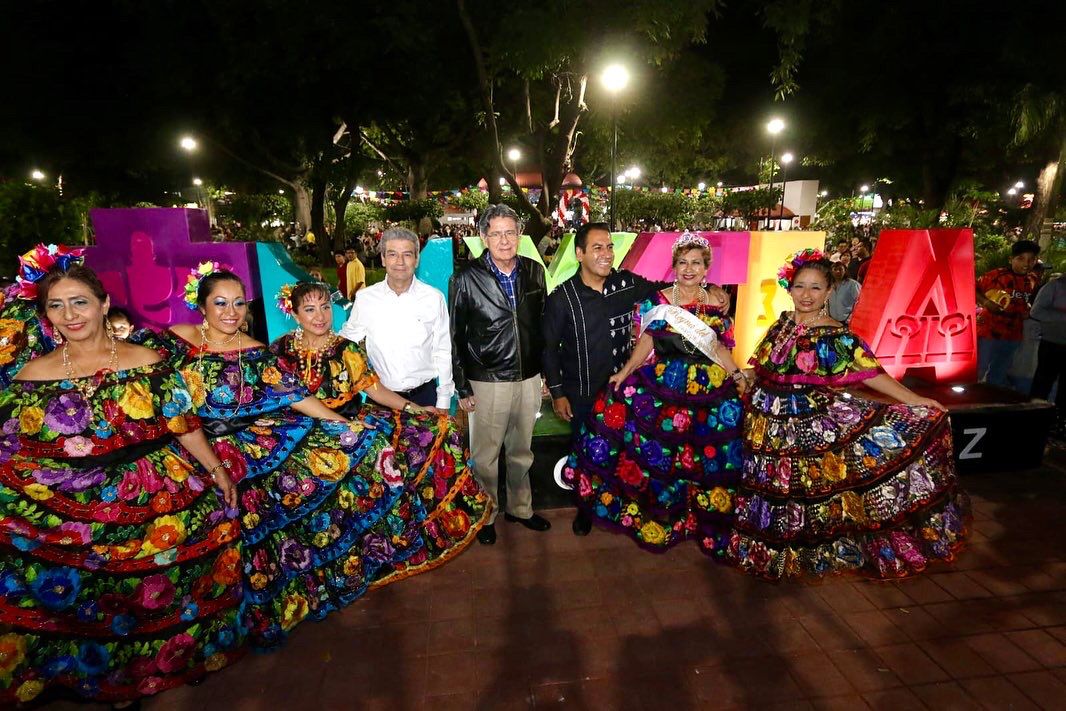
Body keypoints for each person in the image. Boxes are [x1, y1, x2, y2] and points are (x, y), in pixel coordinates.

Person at [137, 267, 441, 648]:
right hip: (190, 449)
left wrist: (346, 425)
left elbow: (297, 395)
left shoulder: (258, 351)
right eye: (220, 303)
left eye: (237, 303)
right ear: (201, 306)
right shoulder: (178, 341)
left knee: (351, 462)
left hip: (254, 443)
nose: (230, 312)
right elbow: (131, 366)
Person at [0, 246, 242, 705]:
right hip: (77, 507)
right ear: (45, 314)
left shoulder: (148, 360)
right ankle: (113, 678)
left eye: (80, 302)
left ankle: (174, 658)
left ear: (104, 304)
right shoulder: (31, 375)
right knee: (99, 596)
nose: (69, 314)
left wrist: (215, 469)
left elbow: (182, 423)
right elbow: (17, 449)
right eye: (56, 305)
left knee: (161, 586)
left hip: (153, 490)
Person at [731, 251, 968, 580]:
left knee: (805, 487)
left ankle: (806, 553)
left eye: (816, 288)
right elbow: (763, 367)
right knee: (773, 484)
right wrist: (737, 377)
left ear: (829, 291)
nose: (806, 295)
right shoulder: (782, 323)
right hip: (765, 423)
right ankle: (771, 550)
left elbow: (871, 374)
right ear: (790, 288)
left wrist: (915, 399)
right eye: (800, 287)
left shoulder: (837, 336)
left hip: (808, 423)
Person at [271, 282, 489, 578]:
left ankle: (377, 549)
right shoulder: (281, 350)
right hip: (302, 434)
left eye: (325, 307)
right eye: (310, 310)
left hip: (351, 426)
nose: (320, 316)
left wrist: (414, 409)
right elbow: (279, 395)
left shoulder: (345, 349)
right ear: (295, 315)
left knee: (431, 434)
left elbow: (375, 391)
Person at [560, 234, 746, 558]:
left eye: (696, 263)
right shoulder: (658, 299)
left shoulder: (717, 302)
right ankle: (657, 512)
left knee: (701, 452)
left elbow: (717, 347)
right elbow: (645, 341)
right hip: (665, 381)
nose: (689, 269)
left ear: (706, 268)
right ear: (673, 266)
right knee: (654, 446)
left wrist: (737, 375)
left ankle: (694, 516)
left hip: (706, 385)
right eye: (683, 262)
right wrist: (626, 370)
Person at [449, 204, 549, 545]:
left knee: (522, 450)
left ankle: (521, 508)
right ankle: (486, 513)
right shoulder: (465, 278)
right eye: (496, 233)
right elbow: (455, 335)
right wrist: (462, 385)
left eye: (510, 233)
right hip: (487, 379)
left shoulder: (535, 272)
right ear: (483, 237)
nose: (504, 240)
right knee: (486, 456)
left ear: (519, 236)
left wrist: (545, 374)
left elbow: (543, 327)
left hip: (529, 377)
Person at [339, 227, 454, 409]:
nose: (400, 261)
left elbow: (443, 350)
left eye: (407, 254)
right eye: (392, 254)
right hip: (380, 399)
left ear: (416, 260)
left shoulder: (433, 298)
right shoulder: (366, 298)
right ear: (383, 259)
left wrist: (444, 400)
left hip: (424, 397)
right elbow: (346, 341)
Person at [976, 240, 1041, 388]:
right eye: (1021, 258)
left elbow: (1028, 301)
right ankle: (970, 401)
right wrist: (986, 303)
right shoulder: (996, 275)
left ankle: (992, 401)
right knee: (979, 369)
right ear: (1011, 259)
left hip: (1013, 334)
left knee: (1000, 371)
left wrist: (1028, 311)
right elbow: (972, 287)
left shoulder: (1031, 280)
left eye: (1031, 259)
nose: (1027, 263)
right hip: (990, 332)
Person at [1029, 271, 1066, 439]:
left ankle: (1058, 426)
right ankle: (1033, 422)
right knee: (1042, 383)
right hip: (1052, 343)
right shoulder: (1054, 287)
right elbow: (1036, 312)